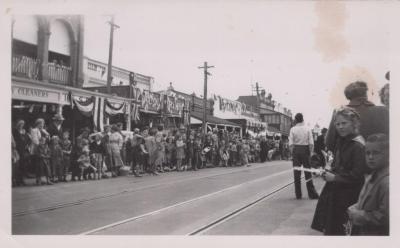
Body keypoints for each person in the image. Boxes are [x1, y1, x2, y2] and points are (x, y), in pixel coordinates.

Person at [311, 107, 368, 235]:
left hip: (349, 197)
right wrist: (328, 171)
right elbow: (339, 166)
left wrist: (335, 177)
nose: (340, 127)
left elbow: (357, 176)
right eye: (337, 124)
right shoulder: (342, 142)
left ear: (353, 124)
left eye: (344, 123)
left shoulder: (357, 145)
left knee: (342, 230)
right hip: (338, 195)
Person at [325, 81, 389, 152]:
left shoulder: (341, 112)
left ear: (348, 96)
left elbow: (329, 143)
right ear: (365, 94)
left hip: (349, 160)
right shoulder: (384, 110)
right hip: (379, 160)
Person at [347, 133, 389, 235]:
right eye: (367, 153)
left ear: (388, 154)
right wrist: (357, 206)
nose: (370, 157)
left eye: (376, 153)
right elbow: (371, 201)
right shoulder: (373, 174)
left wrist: (359, 215)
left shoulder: (387, 182)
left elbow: (386, 217)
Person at [289, 113, 319, 200]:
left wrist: (293, 153)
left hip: (296, 151)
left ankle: (298, 194)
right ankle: (311, 193)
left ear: (296, 120)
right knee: (308, 173)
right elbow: (311, 143)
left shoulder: (292, 129)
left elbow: (291, 144)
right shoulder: (307, 129)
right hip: (305, 151)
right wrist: (310, 153)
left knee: (296, 174)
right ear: (302, 119)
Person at [12, 120, 30, 185]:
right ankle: (17, 180)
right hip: (17, 148)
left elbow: (27, 138)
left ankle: (22, 179)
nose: (21, 125)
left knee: (23, 164)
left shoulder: (24, 131)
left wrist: (27, 144)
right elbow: (14, 139)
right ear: (18, 124)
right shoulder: (15, 131)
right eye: (20, 124)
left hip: (23, 149)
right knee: (17, 165)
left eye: (23, 124)